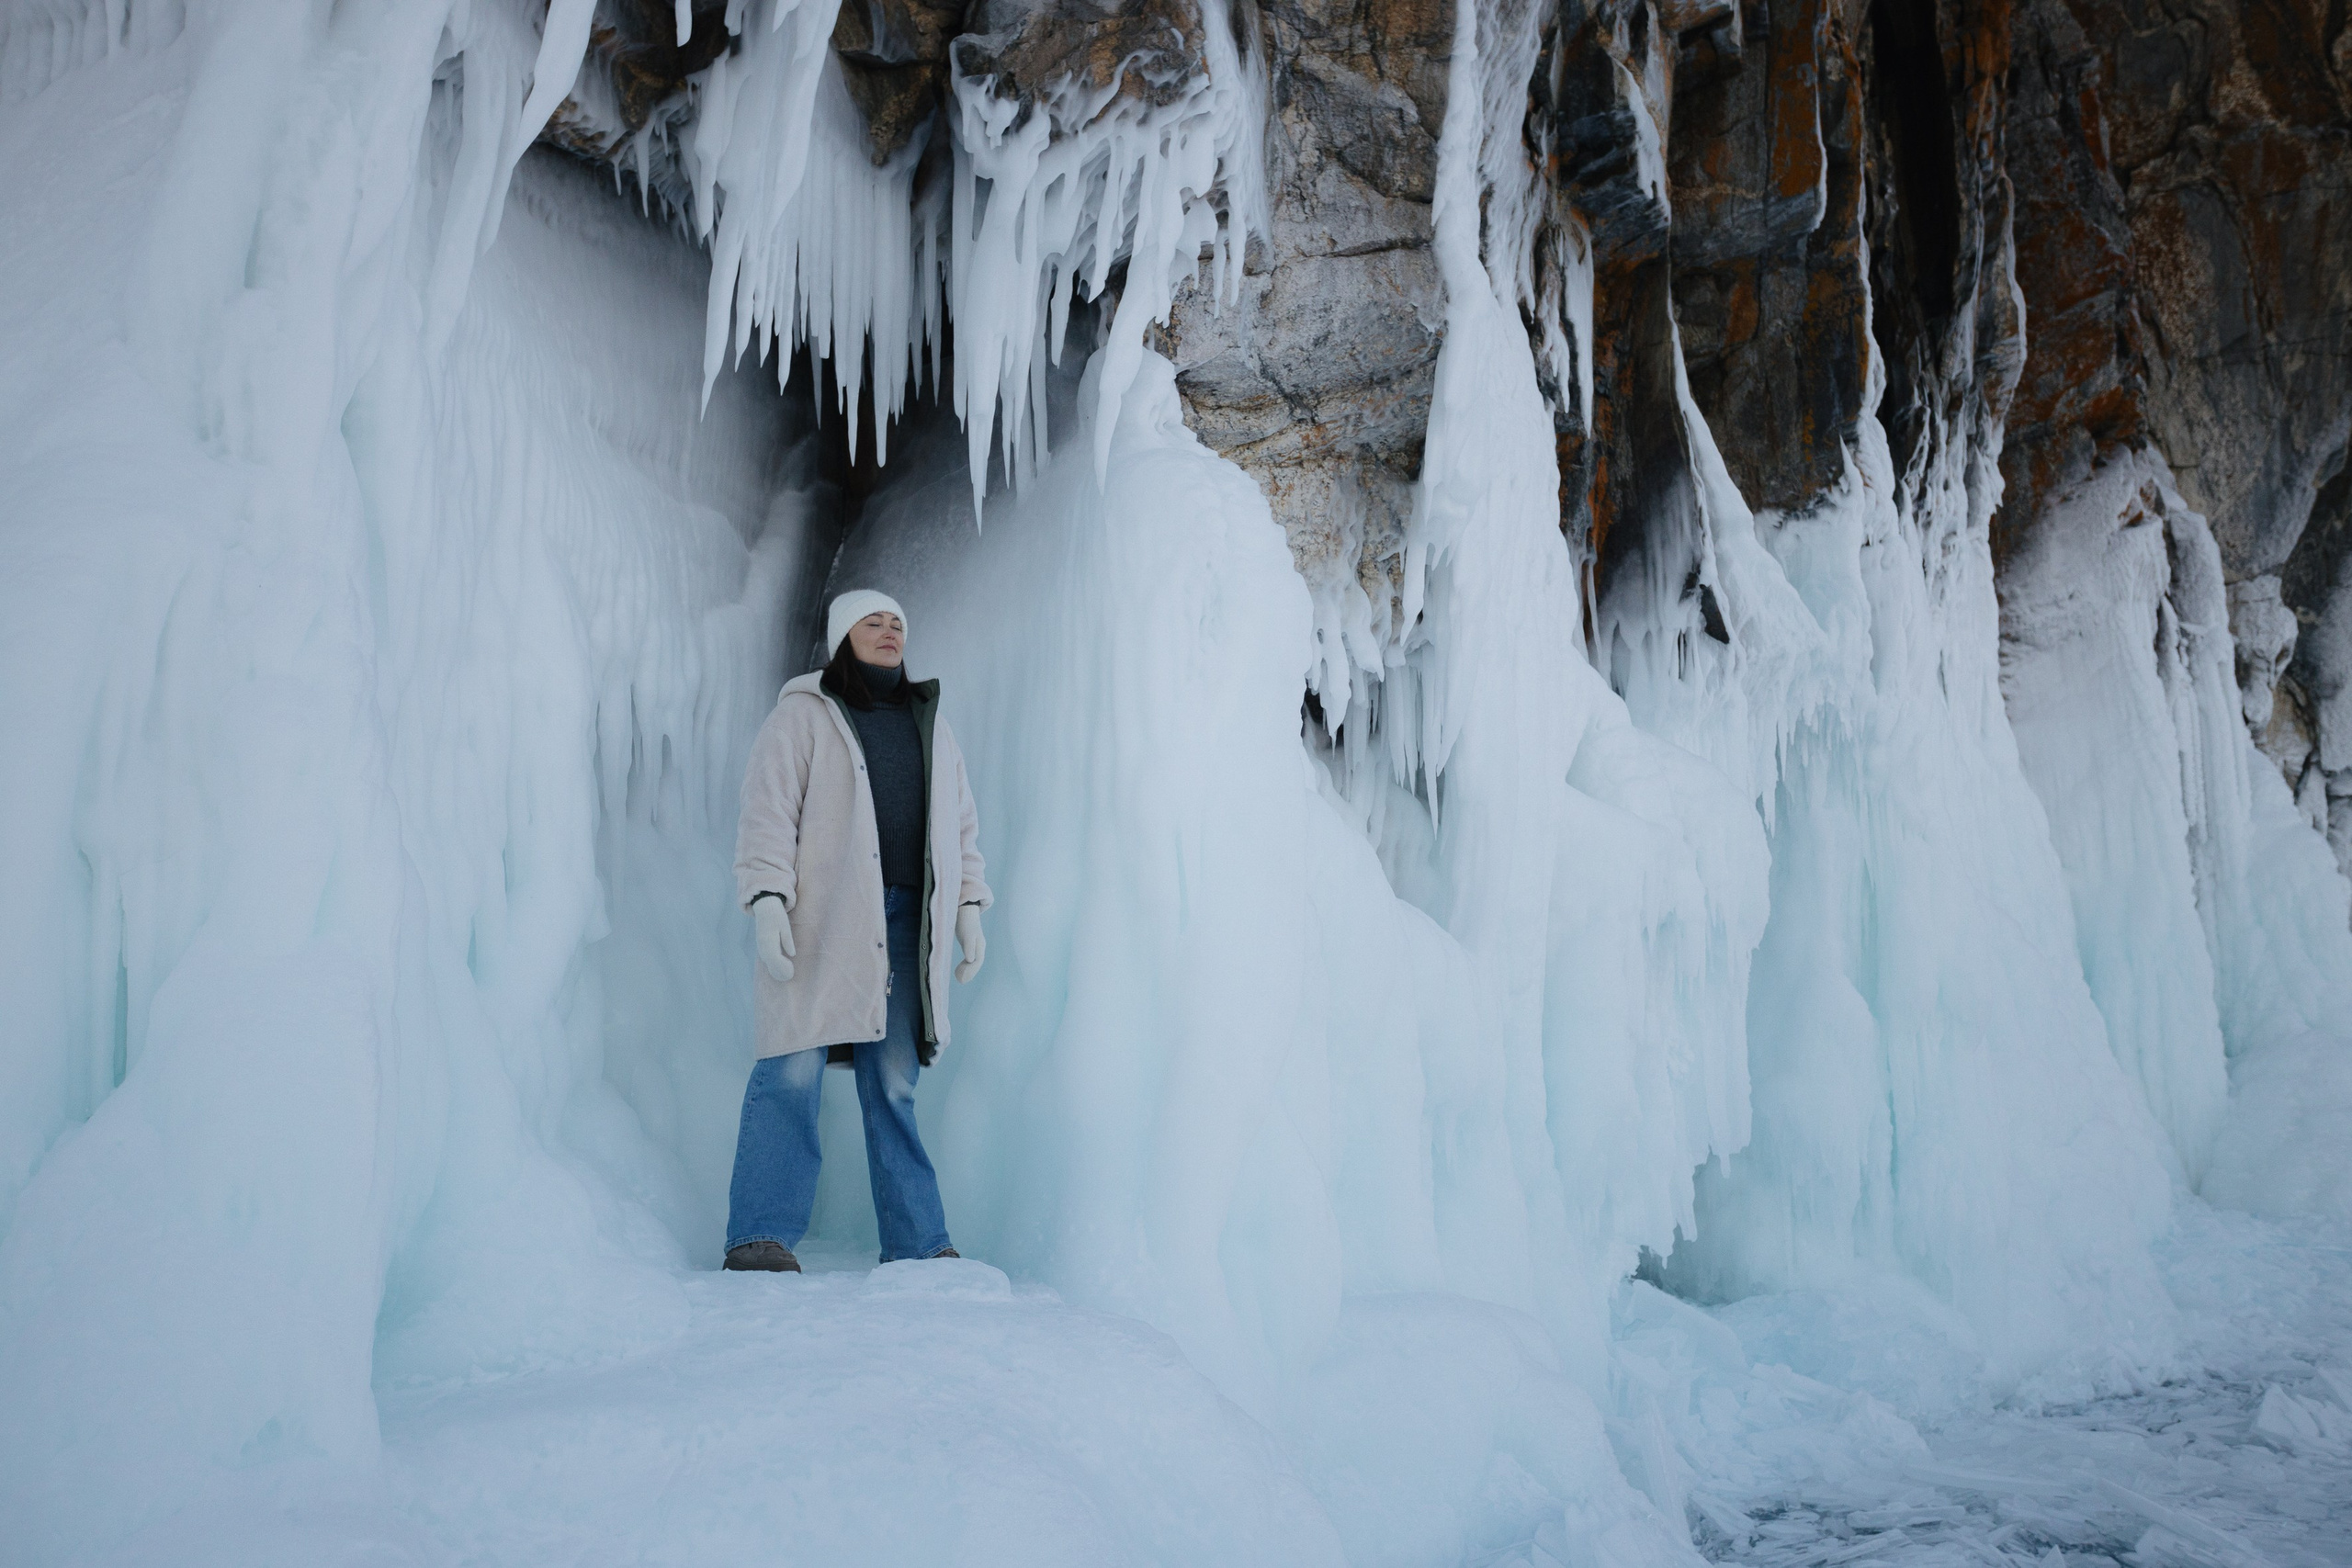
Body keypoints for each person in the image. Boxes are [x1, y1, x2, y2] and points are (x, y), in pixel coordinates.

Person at [723, 590, 990, 1272]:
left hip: (908, 924)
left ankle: (920, 1243)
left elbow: (961, 826)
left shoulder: (930, 722)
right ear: (843, 636)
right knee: (792, 1064)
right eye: (873, 622)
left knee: (895, 1082)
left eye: (899, 622)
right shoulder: (803, 716)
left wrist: (966, 906)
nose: (890, 631)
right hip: (825, 916)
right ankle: (759, 1233)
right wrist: (767, 896)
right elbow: (767, 810)